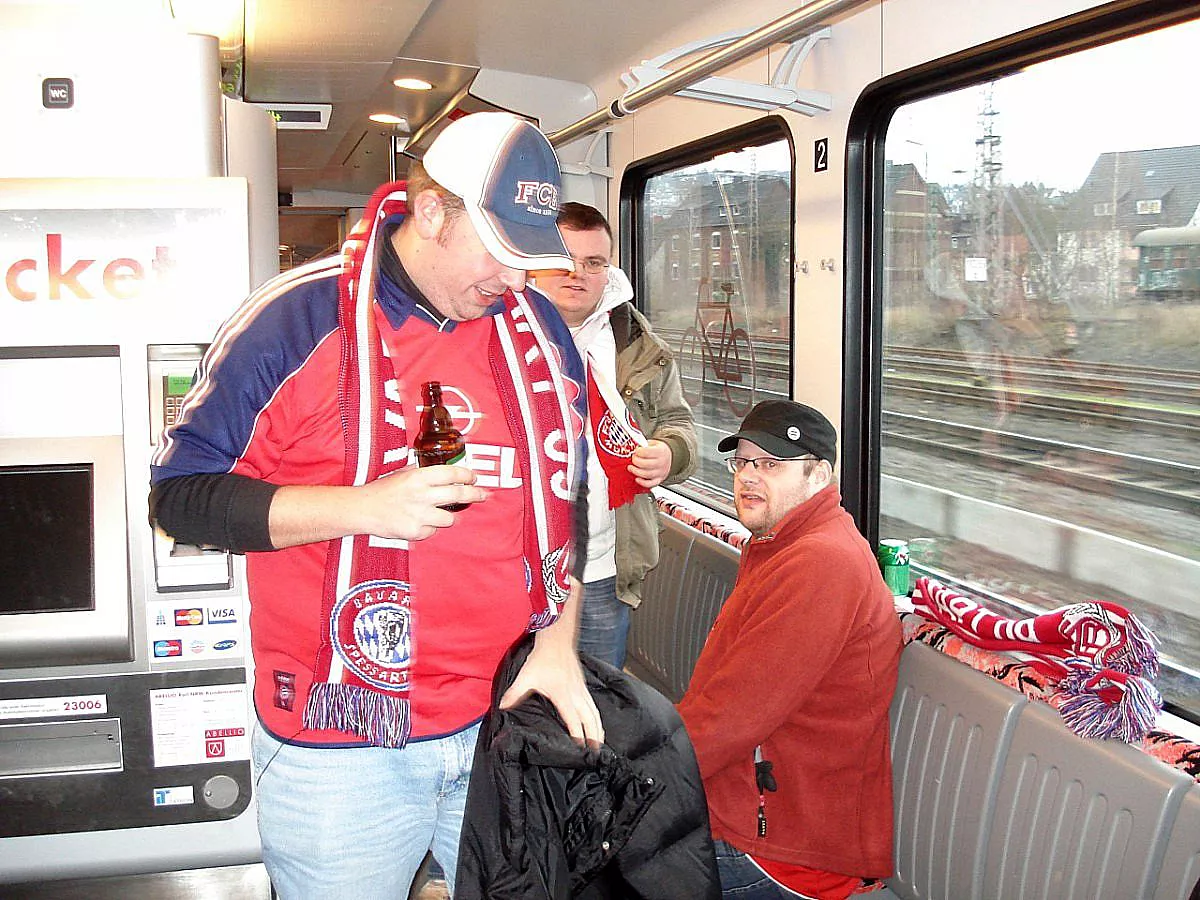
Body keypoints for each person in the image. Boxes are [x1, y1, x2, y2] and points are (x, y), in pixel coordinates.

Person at [149, 111, 603, 899]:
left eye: (531, 257)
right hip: (342, 742)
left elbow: (570, 495)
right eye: (501, 251)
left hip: (504, 713)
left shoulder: (538, 332)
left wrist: (559, 643)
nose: (518, 281)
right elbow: (181, 499)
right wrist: (364, 508)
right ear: (432, 211)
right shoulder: (291, 321)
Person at [677, 399, 902, 900]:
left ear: (818, 476)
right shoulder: (784, 545)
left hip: (783, 846)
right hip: (759, 812)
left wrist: (637, 769)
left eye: (772, 464)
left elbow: (731, 719)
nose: (750, 477)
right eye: (743, 462)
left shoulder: (819, 564)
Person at [533, 202, 696, 668]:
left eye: (593, 263)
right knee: (515, 712)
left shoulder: (641, 347)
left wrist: (670, 452)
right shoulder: (495, 335)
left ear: (608, 271)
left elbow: (679, 423)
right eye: (562, 260)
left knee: (598, 710)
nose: (576, 275)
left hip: (605, 568)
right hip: (519, 569)